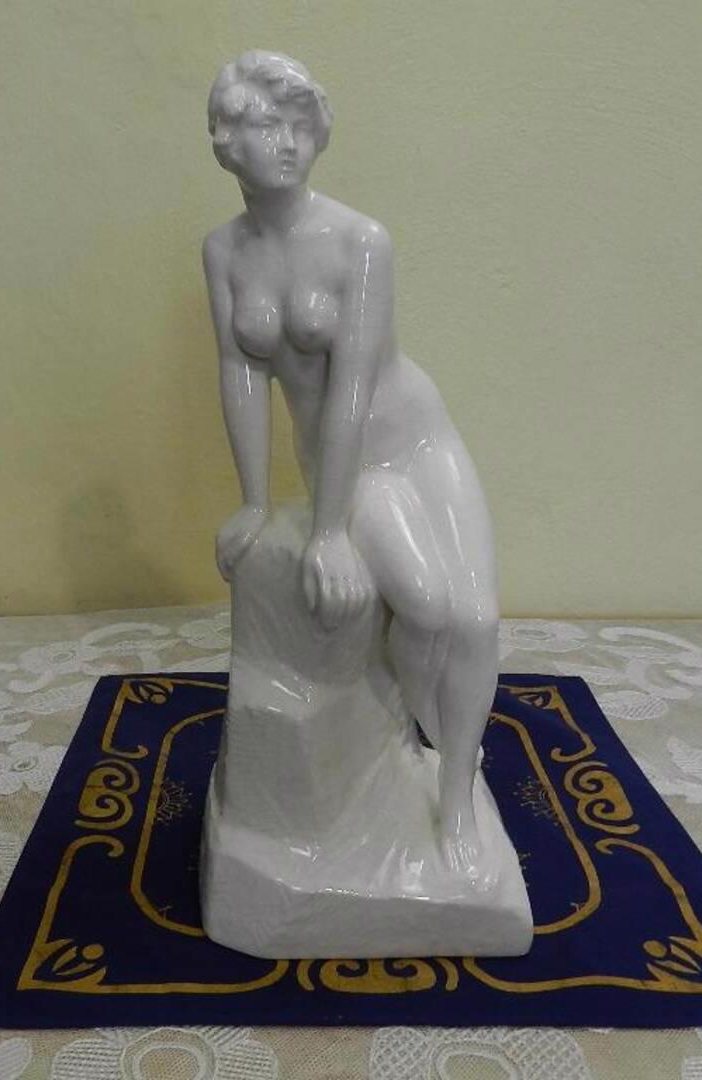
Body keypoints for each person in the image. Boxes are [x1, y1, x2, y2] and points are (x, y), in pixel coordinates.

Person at [202, 51, 500, 883]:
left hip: (418, 438)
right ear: (225, 141)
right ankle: (417, 723)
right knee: (427, 608)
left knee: (476, 618)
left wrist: (329, 531)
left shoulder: (360, 241)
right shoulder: (223, 252)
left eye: (302, 126)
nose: (289, 142)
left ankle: (456, 789)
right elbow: (239, 373)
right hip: (352, 465)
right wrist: (255, 501)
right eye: (268, 125)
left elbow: (355, 389)